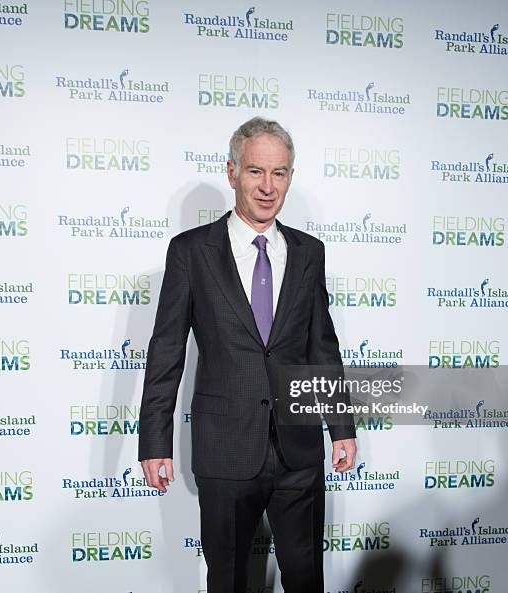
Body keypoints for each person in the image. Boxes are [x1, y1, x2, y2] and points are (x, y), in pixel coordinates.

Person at [139, 117, 357, 593]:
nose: (267, 186)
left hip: (299, 451)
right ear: (232, 172)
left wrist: (341, 428)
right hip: (226, 448)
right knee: (230, 579)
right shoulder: (191, 252)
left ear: (290, 178)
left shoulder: (308, 252)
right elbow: (166, 351)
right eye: (256, 171)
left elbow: (323, 344)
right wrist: (154, 440)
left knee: (305, 578)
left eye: (279, 173)